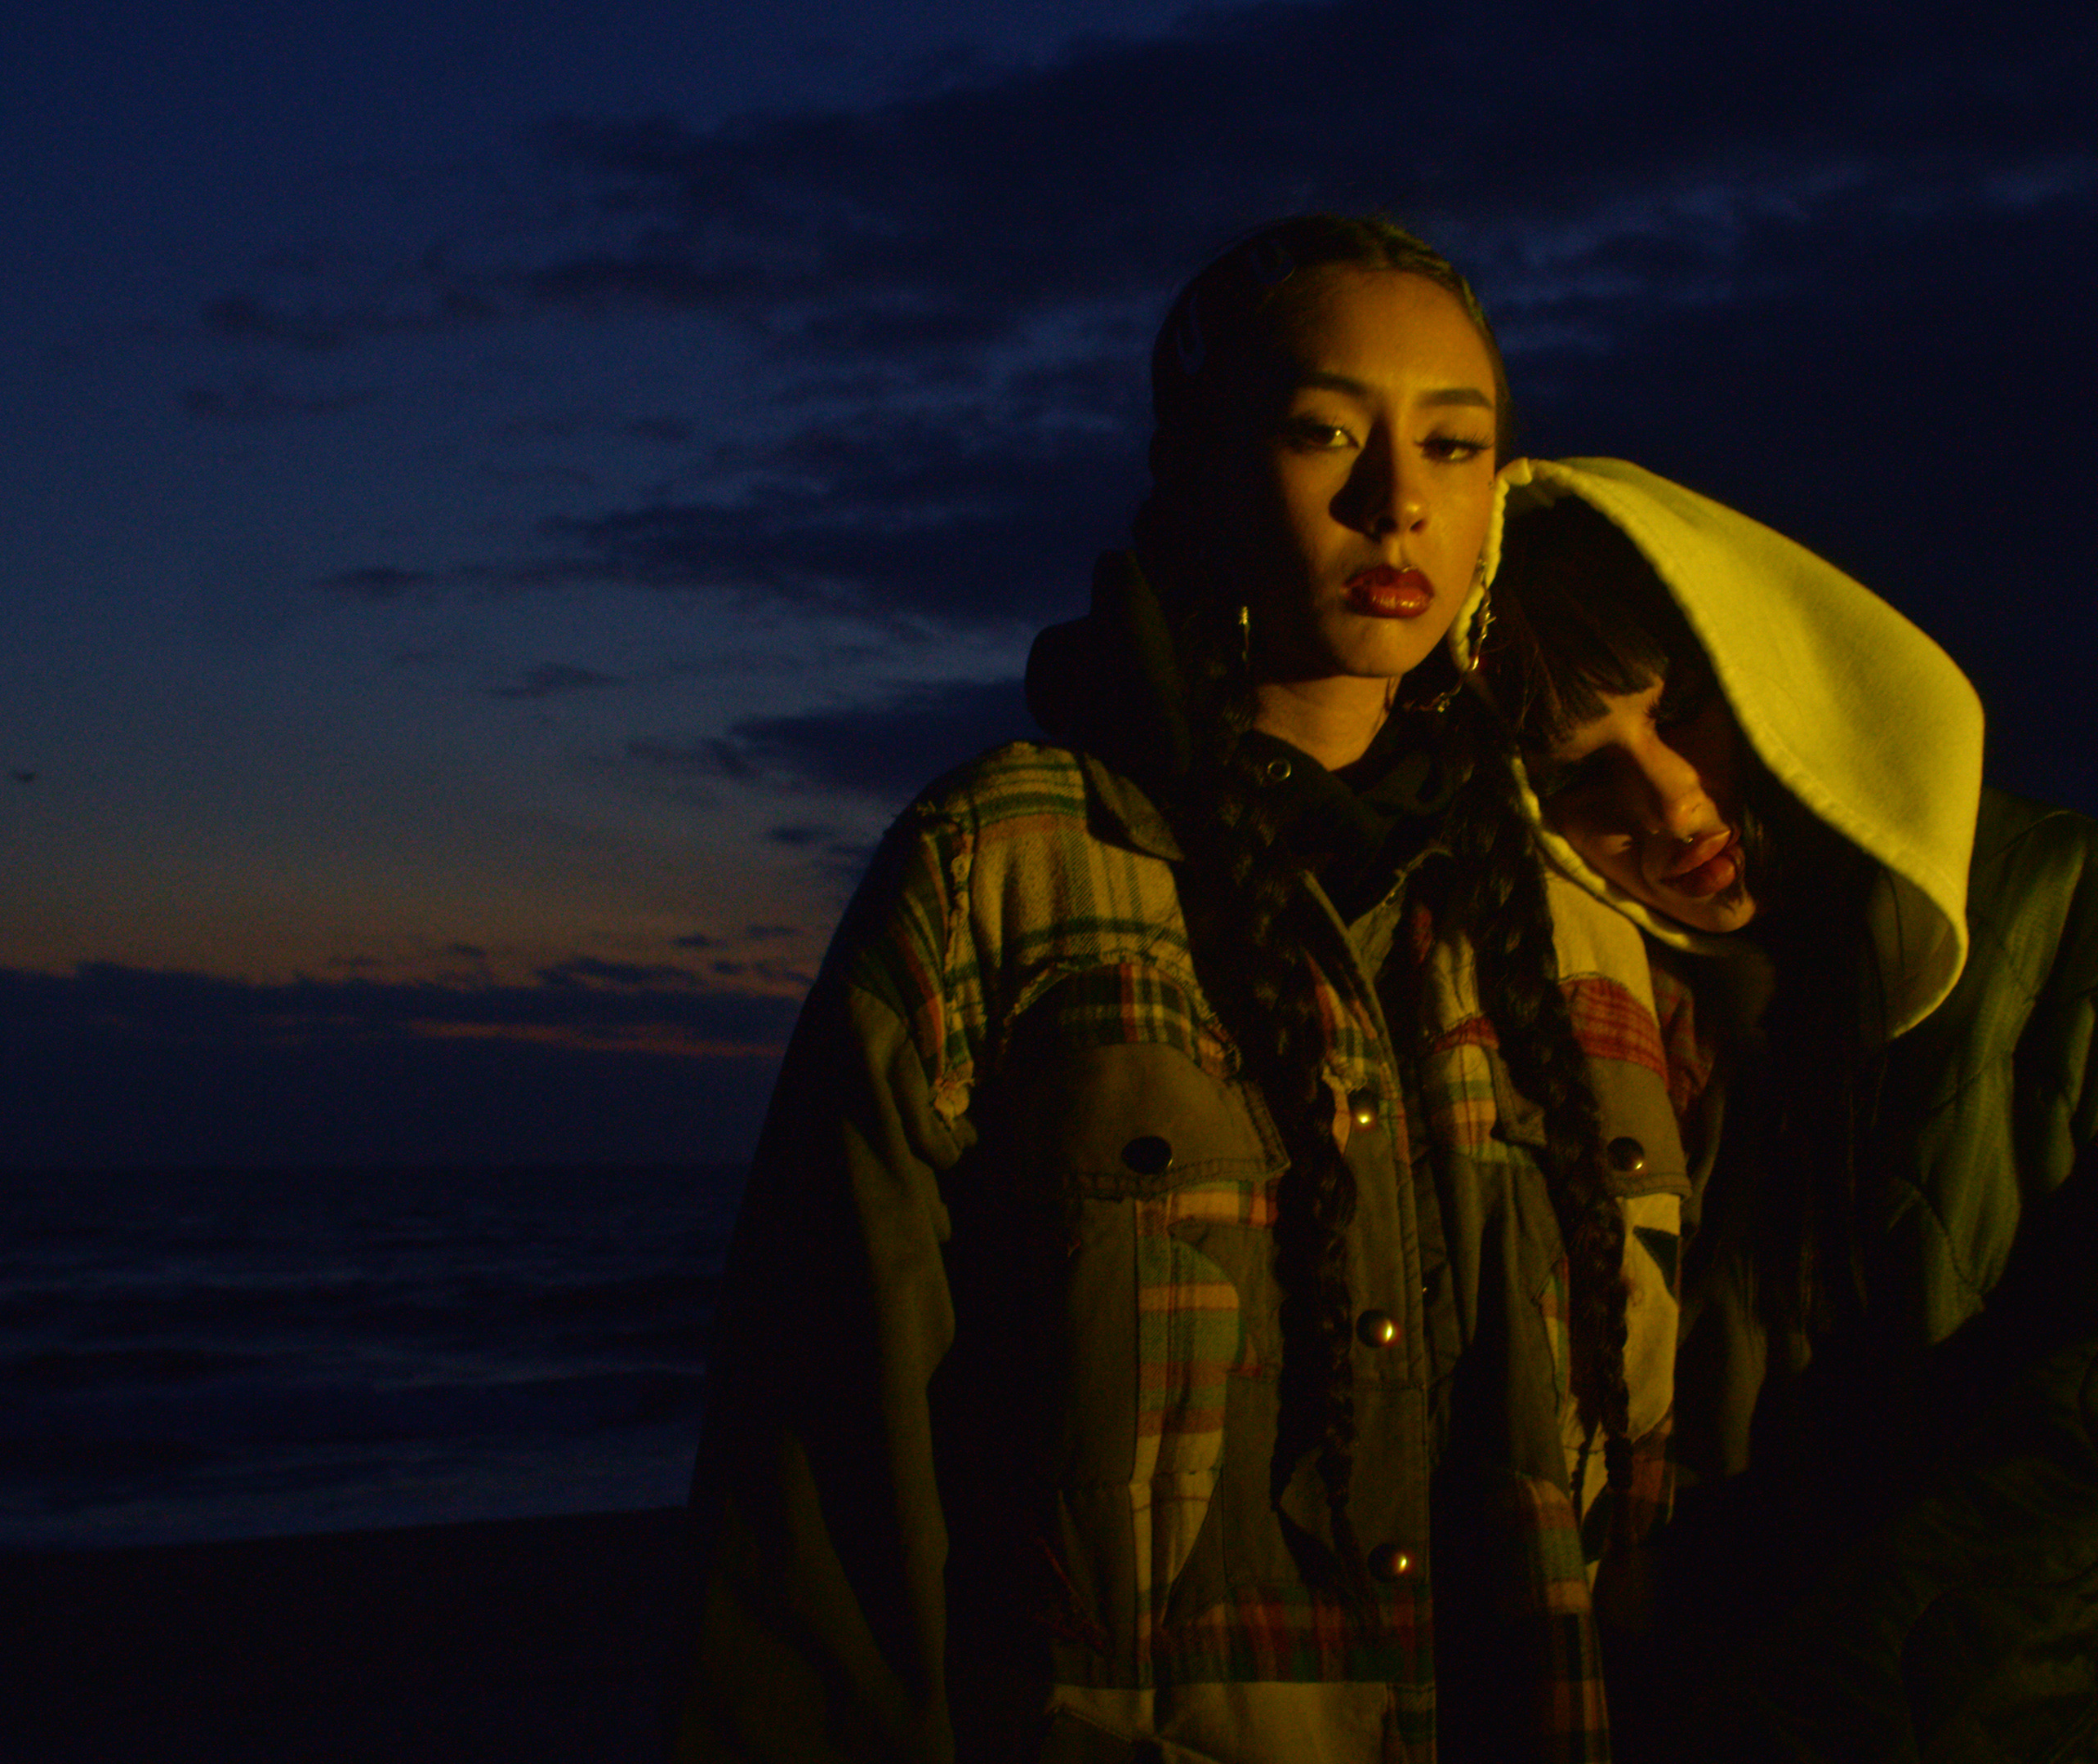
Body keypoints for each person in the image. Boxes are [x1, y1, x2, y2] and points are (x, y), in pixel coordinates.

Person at [672, 224, 1690, 1764]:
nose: (1396, 499)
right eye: (1324, 432)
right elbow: (820, 1482)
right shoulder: (1008, 869)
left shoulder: (1575, 929)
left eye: (1454, 443)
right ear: (1204, 471)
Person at [1482, 457, 2098, 1762]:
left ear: (1763, 663)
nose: (1668, 802)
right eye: (1581, 777)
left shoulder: (2080, 924)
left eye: (1685, 713)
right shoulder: (1607, 1030)